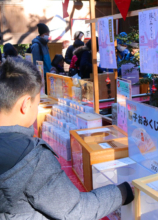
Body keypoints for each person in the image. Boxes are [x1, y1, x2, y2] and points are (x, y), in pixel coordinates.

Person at [0, 57, 134, 220]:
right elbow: (77, 211)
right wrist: (125, 191)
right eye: (37, 102)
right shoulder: (32, 159)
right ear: (26, 104)